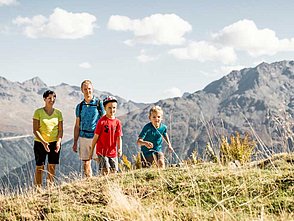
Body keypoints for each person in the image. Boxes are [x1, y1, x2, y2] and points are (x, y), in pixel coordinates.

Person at [72, 80, 105, 177]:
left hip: (96, 136)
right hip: (83, 137)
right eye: (85, 89)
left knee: (100, 160)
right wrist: (75, 141)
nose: (88, 91)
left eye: (89, 89)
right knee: (86, 162)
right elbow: (77, 125)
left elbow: (104, 121)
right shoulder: (80, 106)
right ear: (82, 90)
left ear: (92, 89)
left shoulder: (99, 104)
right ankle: (89, 182)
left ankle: (104, 180)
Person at [32, 90, 63, 187]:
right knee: (39, 167)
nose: (52, 100)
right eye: (49, 98)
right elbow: (35, 130)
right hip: (40, 143)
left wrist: (58, 142)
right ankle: (38, 189)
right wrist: (44, 142)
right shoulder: (38, 112)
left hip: (54, 143)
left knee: (52, 166)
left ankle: (50, 188)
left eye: (53, 98)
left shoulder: (58, 113)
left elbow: (60, 130)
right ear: (44, 99)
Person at [89, 96, 123, 175]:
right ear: (105, 108)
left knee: (114, 171)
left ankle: (112, 186)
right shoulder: (101, 122)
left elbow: (119, 137)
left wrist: (119, 148)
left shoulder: (117, 122)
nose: (112, 110)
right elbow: (95, 138)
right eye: (109, 108)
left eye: (114, 108)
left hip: (113, 151)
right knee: (105, 170)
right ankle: (103, 185)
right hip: (102, 151)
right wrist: (91, 151)